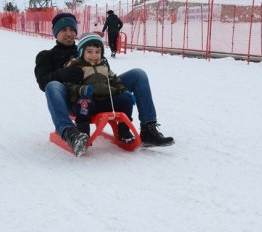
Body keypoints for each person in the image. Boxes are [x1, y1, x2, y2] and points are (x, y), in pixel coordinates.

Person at [35, 13, 173, 157]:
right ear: (56, 33)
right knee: (52, 86)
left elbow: (106, 73)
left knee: (138, 74)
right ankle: (70, 133)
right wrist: (61, 74)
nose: (69, 33)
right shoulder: (46, 55)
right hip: (75, 100)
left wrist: (120, 89)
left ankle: (148, 128)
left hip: (102, 95)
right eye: (63, 30)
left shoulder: (89, 45)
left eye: (71, 29)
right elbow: (42, 82)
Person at [63, 32, 136, 143]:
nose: (94, 55)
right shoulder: (76, 67)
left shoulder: (104, 66)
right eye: (89, 52)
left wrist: (124, 91)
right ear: (82, 52)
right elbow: (69, 86)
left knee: (126, 101)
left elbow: (115, 81)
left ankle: (123, 131)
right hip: (90, 103)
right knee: (84, 103)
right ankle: (82, 135)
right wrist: (82, 90)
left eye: (98, 52)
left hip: (107, 101)